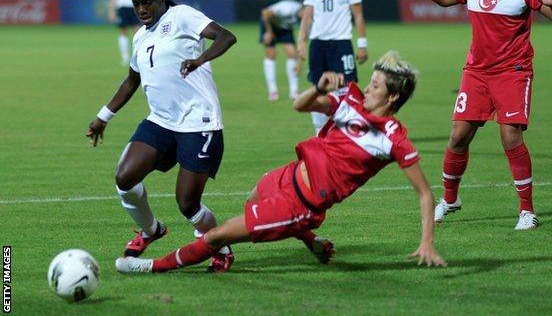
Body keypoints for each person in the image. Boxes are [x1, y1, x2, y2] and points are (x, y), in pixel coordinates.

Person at [114, 51, 447, 274]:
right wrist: (317, 87)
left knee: (217, 235)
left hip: (301, 204)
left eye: (376, 86)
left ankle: (150, 266)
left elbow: (425, 194)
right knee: (250, 200)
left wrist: (427, 241)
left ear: (392, 97)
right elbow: (300, 106)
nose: (369, 87)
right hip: (287, 175)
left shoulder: (392, 137)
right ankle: (310, 241)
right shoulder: (351, 102)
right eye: (371, 82)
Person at [86, 0, 237, 272]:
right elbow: (131, 81)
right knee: (125, 178)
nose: (142, 9)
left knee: (188, 204)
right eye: (137, 3)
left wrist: (201, 59)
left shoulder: (182, 16)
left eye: (148, 2)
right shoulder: (141, 36)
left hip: (199, 122)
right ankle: (151, 229)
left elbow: (226, 36)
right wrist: (103, 116)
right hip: (162, 122)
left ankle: (220, 245)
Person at [392, 0, 552, 229]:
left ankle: (527, 211)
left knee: (510, 136)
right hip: (476, 72)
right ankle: (450, 200)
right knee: (458, 136)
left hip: (513, 72)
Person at [297, 0, 368, 134]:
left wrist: (362, 44)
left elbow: (358, 16)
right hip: (318, 44)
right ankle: (320, 131)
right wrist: (301, 41)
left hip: (341, 43)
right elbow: (307, 16)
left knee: (347, 87)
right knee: (319, 87)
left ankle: (348, 130)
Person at [260, 0, 304, 101]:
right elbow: (265, 13)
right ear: (303, 8)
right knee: (271, 54)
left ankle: (294, 91)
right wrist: (269, 32)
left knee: (292, 54)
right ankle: (273, 91)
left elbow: (303, 40)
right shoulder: (288, 8)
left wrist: (300, 62)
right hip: (269, 24)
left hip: (284, 27)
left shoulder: (306, 18)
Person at [108, 0, 140, 65]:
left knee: (138, 33)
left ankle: (137, 57)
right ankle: (125, 57)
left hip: (135, 7)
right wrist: (111, 10)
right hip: (122, 8)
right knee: (123, 32)